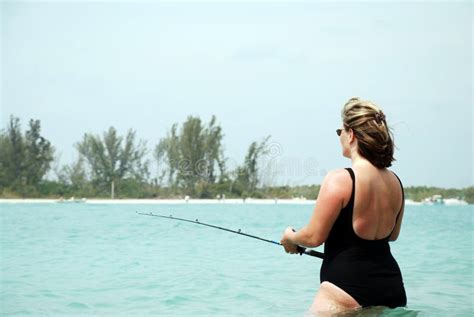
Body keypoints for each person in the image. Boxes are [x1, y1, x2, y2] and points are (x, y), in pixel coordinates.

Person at [280, 97, 407, 315]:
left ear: (351, 134)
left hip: (344, 289)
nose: (339, 137)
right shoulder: (396, 182)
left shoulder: (340, 179)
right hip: (391, 288)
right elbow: (392, 235)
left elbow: (312, 238)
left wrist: (289, 237)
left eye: (340, 131)